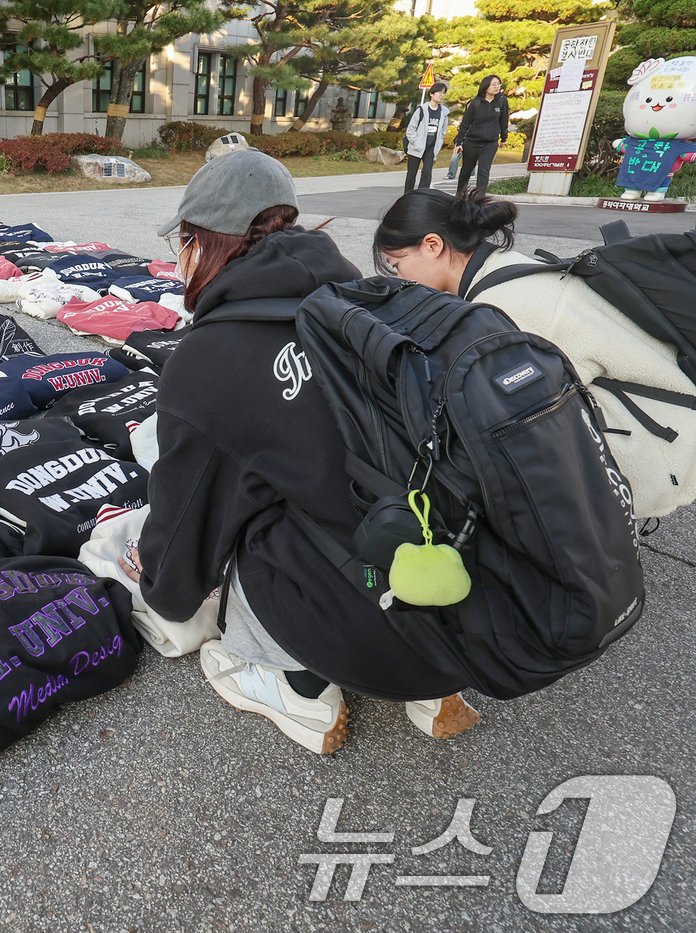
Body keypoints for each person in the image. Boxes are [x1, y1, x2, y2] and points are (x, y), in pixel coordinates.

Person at [117, 149, 483, 755]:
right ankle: (434, 689)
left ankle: (299, 690)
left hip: (364, 620)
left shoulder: (210, 360)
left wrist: (163, 592)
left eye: (182, 242)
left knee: (245, 515)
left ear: (201, 242)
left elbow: (190, 518)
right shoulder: (375, 297)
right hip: (464, 592)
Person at [374, 187, 696, 518]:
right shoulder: (504, 267)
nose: (399, 278)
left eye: (397, 265)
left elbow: (521, 421)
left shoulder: (503, 309)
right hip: (669, 418)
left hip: (660, 453)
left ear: (432, 245)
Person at [454, 75, 509, 195]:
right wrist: (459, 142)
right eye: (493, 84)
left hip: (490, 143)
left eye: (498, 84)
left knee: (484, 170)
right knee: (466, 170)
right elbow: (465, 123)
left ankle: (479, 199)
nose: (497, 87)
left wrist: (504, 138)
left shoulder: (502, 101)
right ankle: (459, 196)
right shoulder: (475, 103)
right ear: (485, 86)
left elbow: (504, 121)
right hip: (472, 142)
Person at [403, 82, 450, 192]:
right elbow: (410, 130)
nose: (442, 95)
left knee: (427, 173)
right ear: (432, 94)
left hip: (431, 148)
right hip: (417, 147)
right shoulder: (422, 110)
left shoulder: (444, 112)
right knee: (411, 175)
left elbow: (443, 131)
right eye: (439, 92)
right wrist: (417, 143)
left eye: (444, 93)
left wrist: (438, 146)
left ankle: (423, 196)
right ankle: (407, 196)